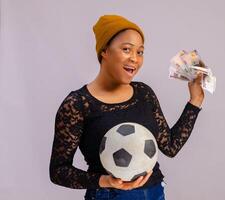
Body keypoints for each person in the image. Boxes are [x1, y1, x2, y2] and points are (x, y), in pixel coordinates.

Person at [49, 14, 204, 200]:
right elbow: (58, 171)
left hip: (155, 193)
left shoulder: (144, 93)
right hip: (108, 195)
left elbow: (170, 147)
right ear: (104, 51)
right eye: (126, 49)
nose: (134, 59)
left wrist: (195, 99)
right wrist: (105, 181)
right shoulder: (77, 104)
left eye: (140, 52)